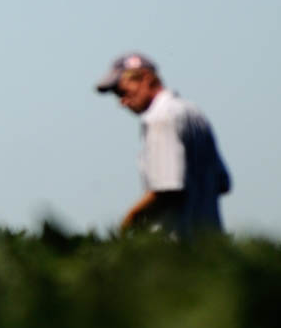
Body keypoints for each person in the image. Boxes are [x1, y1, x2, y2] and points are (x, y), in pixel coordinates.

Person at [95, 53, 231, 236]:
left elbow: (167, 189)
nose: (122, 102)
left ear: (146, 78)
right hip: (212, 248)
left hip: (175, 249)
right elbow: (223, 183)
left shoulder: (160, 118)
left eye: (122, 92)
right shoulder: (194, 112)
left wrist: (129, 221)